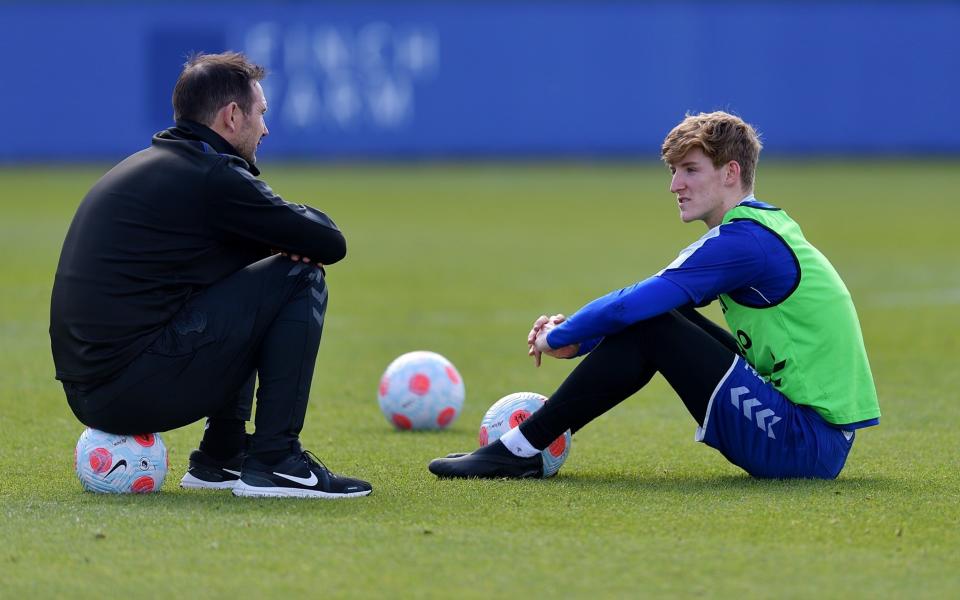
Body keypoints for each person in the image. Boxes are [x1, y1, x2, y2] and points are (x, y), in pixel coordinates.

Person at [429, 111, 880, 480]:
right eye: (672, 172)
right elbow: (653, 303)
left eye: (690, 170)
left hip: (803, 444)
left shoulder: (744, 242)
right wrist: (579, 338)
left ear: (730, 172)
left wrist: (560, 334)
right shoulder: (758, 228)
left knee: (654, 321)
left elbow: (636, 302)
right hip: (812, 435)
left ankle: (526, 446)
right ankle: (525, 447)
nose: (675, 185)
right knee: (660, 316)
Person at [51, 51, 371, 499]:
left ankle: (222, 456)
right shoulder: (211, 176)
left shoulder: (145, 165)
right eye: (261, 114)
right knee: (296, 278)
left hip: (93, 391)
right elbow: (329, 243)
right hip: (130, 388)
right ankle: (277, 460)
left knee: (242, 270)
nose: (266, 128)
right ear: (232, 115)